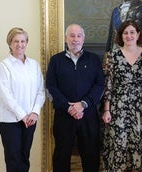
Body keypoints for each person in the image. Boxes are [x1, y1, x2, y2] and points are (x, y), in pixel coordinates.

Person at [46, 24, 105, 172]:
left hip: (88, 115)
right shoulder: (56, 60)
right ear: (66, 38)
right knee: (61, 155)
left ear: (83, 39)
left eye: (79, 36)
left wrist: (83, 104)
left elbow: (99, 85)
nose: (75, 39)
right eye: (72, 35)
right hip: (64, 115)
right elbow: (51, 87)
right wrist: (68, 107)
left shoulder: (94, 59)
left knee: (91, 155)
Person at [102, 20, 142, 172]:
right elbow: (108, 84)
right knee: (118, 143)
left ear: (138, 34)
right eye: (125, 33)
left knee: (140, 143)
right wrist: (107, 110)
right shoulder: (112, 55)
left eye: (132, 32)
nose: (129, 35)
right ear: (121, 36)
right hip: (118, 107)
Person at [0, 27, 45, 172]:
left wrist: (35, 113)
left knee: (24, 158)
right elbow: (5, 95)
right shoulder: (4, 66)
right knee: (14, 159)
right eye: (16, 41)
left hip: (31, 119)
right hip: (10, 120)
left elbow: (41, 91)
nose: (20, 44)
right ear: (9, 43)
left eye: (23, 41)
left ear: (27, 43)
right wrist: (22, 115)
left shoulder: (34, 65)